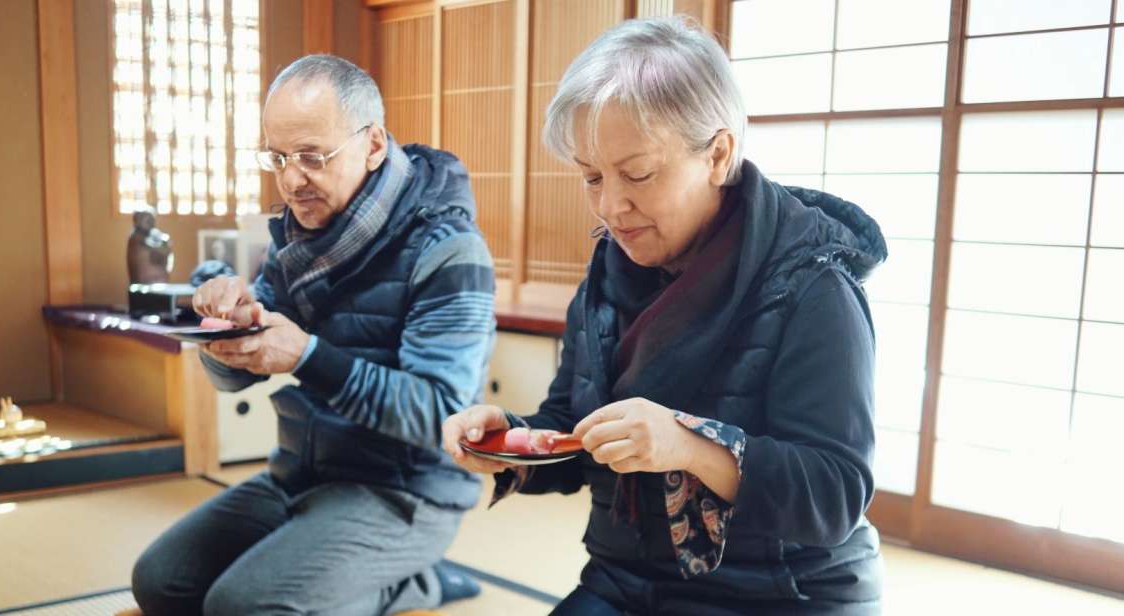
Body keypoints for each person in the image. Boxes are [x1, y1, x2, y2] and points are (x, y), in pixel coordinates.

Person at [443, 17, 887, 615]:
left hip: (782, 593)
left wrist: (692, 446)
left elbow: (835, 496)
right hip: (628, 577)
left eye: (638, 174)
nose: (611, 206)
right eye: (592, 177)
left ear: (718, 154)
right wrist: (514, 441)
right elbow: (577, 426)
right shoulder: (610, 268)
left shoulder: (813, 286)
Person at [131, 54, 495, 616]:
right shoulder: (297, 237)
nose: (291, 179)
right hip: (300, 471)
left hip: (405, 493)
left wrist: (306, 355)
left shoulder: (448, 248)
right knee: (161, 582)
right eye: (278, 157)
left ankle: (416, 583)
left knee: (240, 606)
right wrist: (228, 330)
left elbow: (439, 415)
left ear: (373, 144)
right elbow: (235, 379)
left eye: (311, 156)